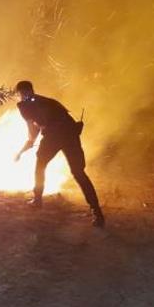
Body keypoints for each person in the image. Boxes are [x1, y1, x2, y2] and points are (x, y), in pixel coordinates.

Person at [13, 80, 105, 227]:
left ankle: (37, 200)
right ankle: (97, 212)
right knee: (78, 173)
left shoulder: (24, 106)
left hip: (55, 137)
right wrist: (23, 149)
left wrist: (21, 151)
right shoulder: (47, 101)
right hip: (70, 135)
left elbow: (32, 133)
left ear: (20, 93)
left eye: (20, 94)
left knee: (40, 164)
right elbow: (57, 121)